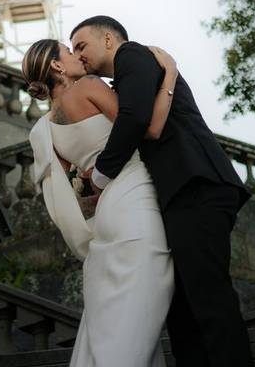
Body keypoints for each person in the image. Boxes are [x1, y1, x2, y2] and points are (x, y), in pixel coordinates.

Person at [71, 16, 252, 367]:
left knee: (208, 300)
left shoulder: (133, 56)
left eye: (81, 46)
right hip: (180, 194)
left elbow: (138, 120)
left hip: (197, 184)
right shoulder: (125, 78)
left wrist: (101, 176)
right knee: (183, 311)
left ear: (108, 39)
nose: (79, 56)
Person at [22, 38, 179, 366]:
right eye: (69, 51)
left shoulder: (46, 130)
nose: (78, 56)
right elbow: (146, 126)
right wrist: (169, 78)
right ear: (56, 65)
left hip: (106, 217)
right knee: (138, 313)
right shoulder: (89, 86)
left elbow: (80, 198)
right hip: (135, 199)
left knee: (117, 318)